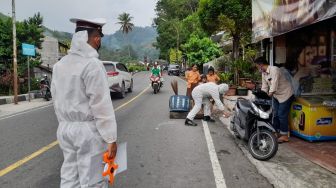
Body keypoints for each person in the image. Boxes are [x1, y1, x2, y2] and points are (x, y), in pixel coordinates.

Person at [51, 18, 117, 187]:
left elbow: (55, 98)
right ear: (96, 38)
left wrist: (65, 124)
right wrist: (111, 138)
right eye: (99, 37)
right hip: (87, 132)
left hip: (65, 128)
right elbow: (101, 105)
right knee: (93, 180)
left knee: (69, 176)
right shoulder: (92, 65)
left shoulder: (59, 65)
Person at [254, 57, 295, 143]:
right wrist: (261, 96)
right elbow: (264, 87)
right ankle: (276, 132)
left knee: (281, 114)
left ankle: (284, 135)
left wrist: (269, 95)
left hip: (286, 94)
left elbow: (274, 85)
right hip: (276, 95)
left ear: (261, 65)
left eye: (257, 66)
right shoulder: (264, 73)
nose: (257, 68)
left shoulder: (274, 70)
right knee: (275, 114)